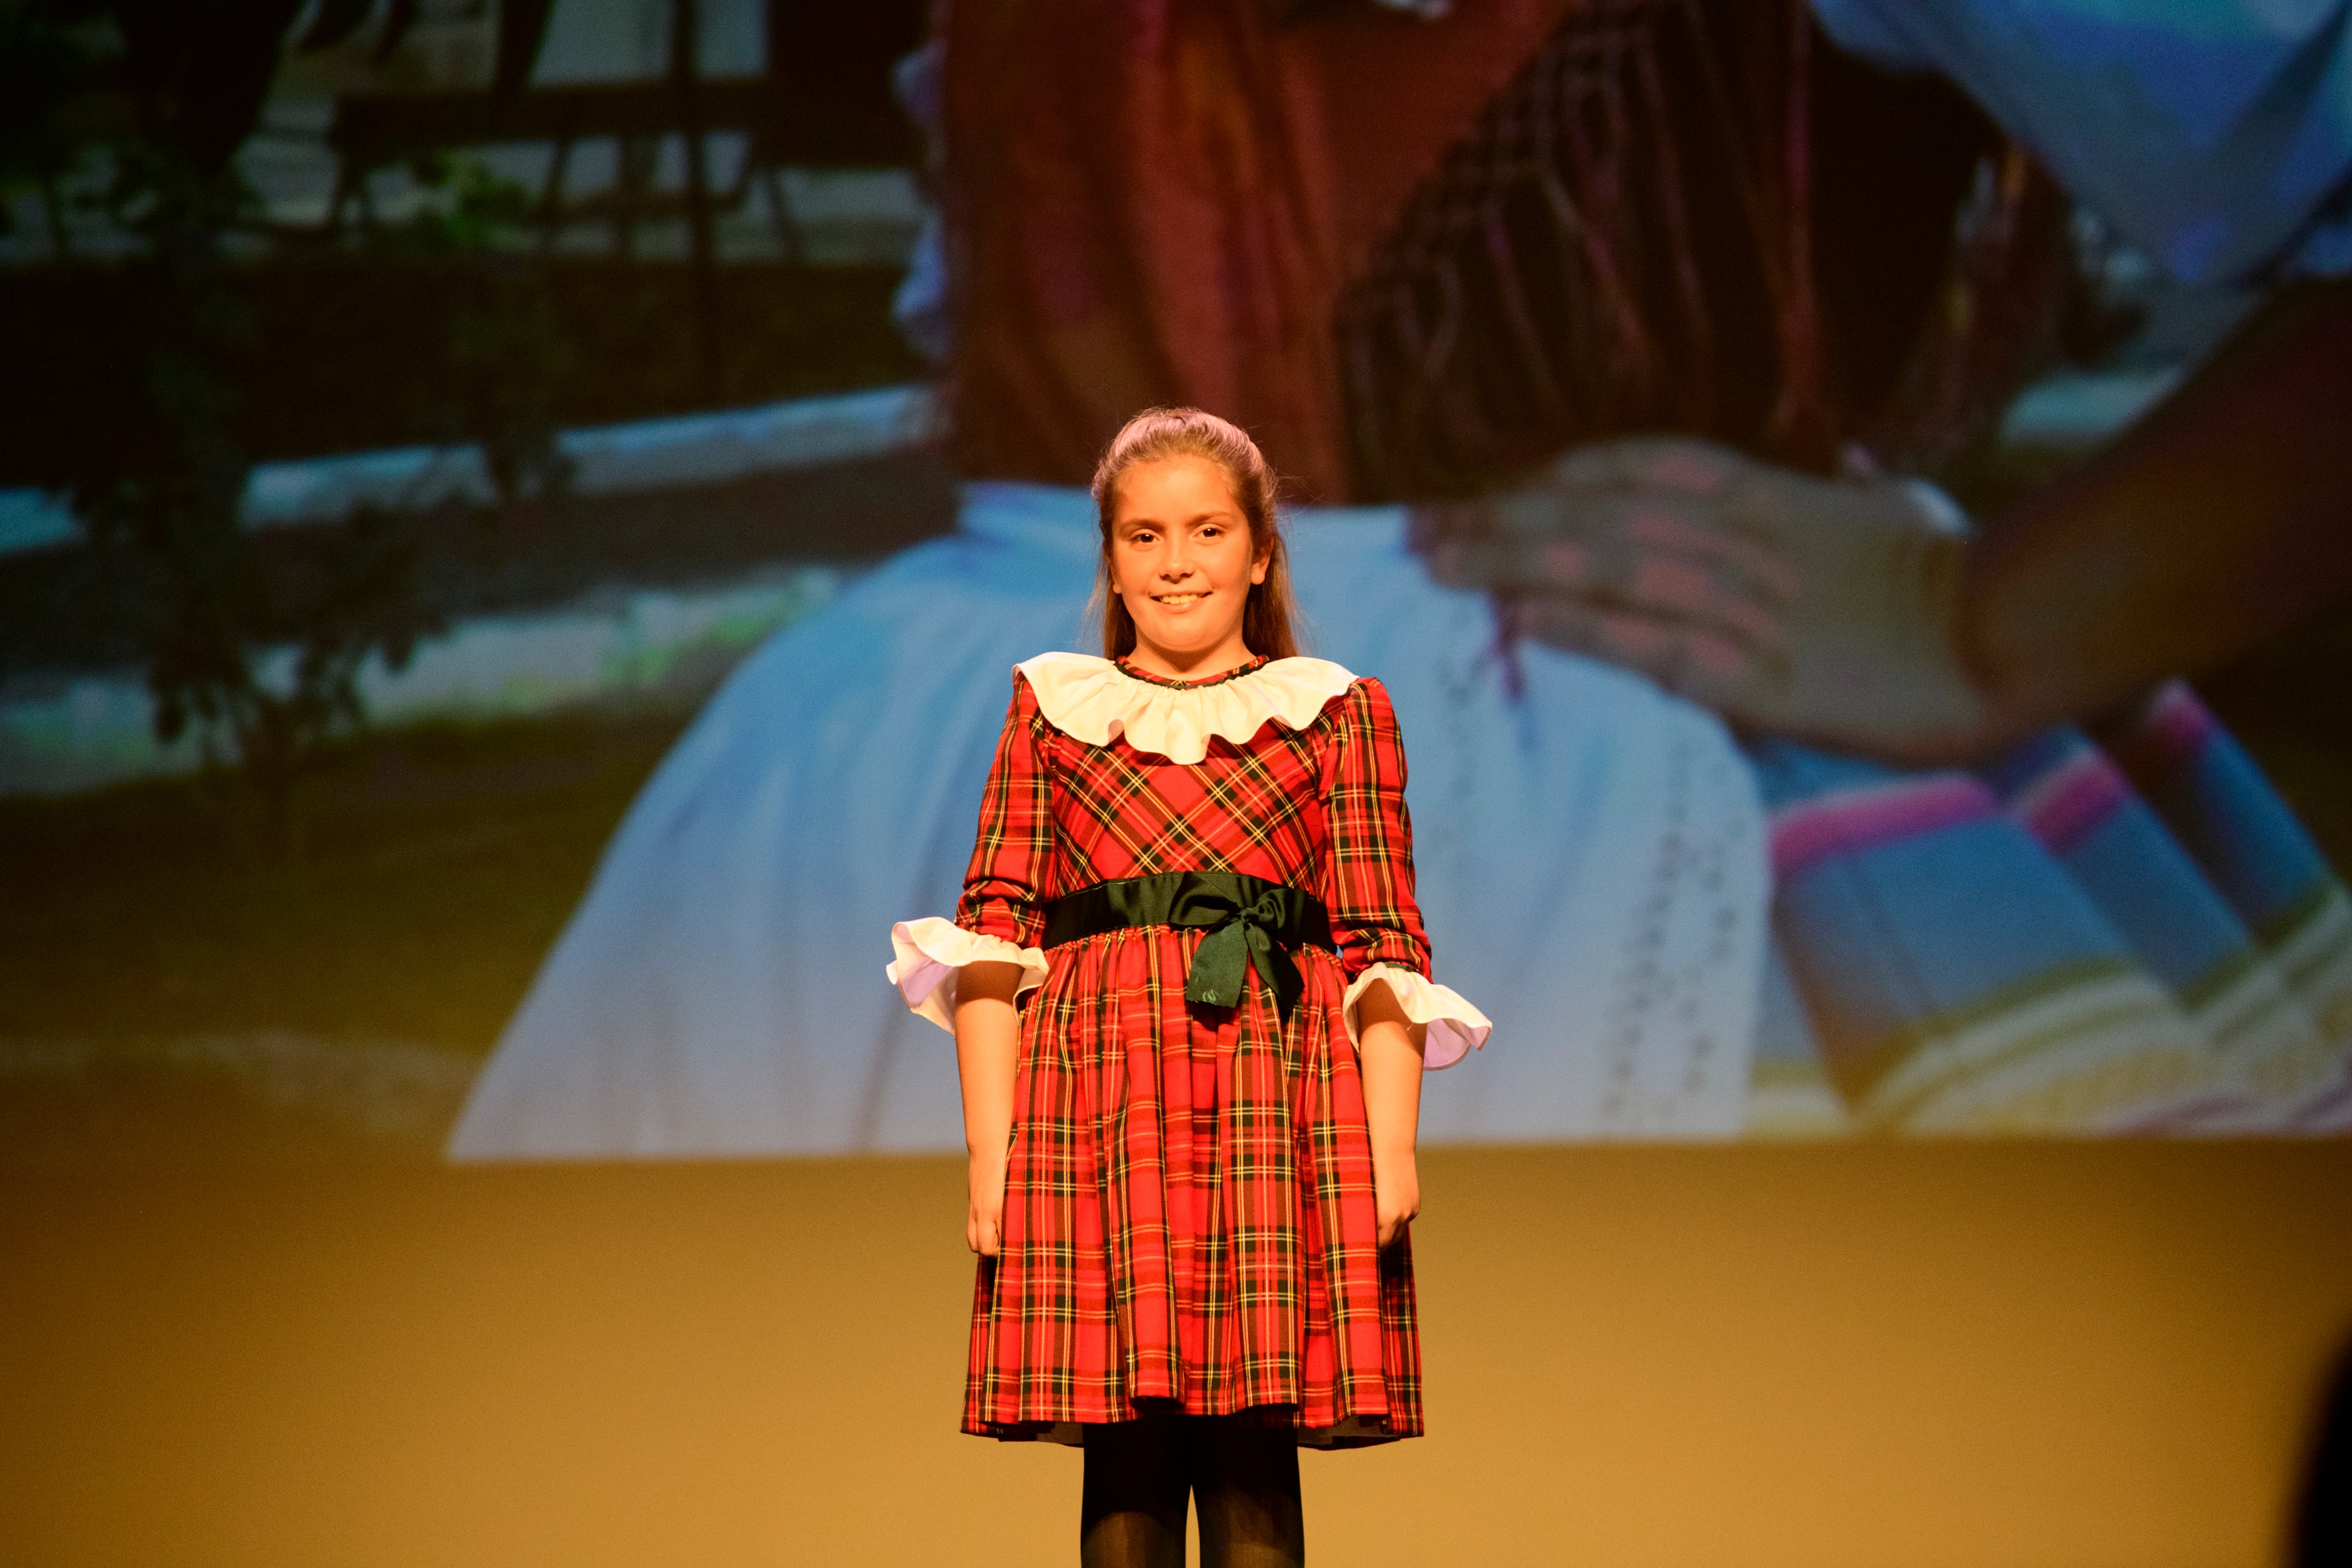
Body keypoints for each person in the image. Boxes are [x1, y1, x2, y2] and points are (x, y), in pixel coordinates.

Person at [886, 408, 1487, 1565]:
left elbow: (1382, 946)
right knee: (1127, 1451)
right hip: (1097, 1119)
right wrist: (992, 1153)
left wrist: (1392, 1150)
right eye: (1145, 533)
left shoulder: (1336, 711)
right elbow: (993, 933)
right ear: (1110, 556)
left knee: (1253, 1451)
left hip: (1276, 1112)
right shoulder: (1054, 707)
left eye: (1207, 530)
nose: (1176, 561)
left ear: (1259, 551)